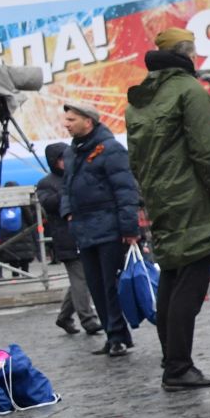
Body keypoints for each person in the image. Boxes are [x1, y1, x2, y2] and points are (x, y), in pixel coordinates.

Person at [124, 27, 210, 388]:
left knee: (172, 278)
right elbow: (207, 152)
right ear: (188, 54)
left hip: (161, 199)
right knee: (190, 280)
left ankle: (171, 360)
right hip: (191, 197)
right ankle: (178, 367)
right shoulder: (188, 91)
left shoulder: (139, 98)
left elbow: (135, 160)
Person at [60, 100, 143, 358]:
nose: (67, 124)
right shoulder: (73, 152)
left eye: (72, 119)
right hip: (84, 230)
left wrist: (130, 229)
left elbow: (126, 190)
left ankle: (118, 336)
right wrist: (69, 213)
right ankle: (112, 334)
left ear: (89, 120)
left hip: (109, 228)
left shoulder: (111, 149)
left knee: (111, 286)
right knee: (95, 286)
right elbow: (67, 187)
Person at [37, 142, 100, 336]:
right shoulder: (46, 183)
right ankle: (88, 319)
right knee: (82, 279)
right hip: (66, 237)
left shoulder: (78, 176)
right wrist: (70, 190)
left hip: (86, 233)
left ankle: (64, 317)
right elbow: (49, 204)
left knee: (81, 280)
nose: (66, 162)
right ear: (54, 162)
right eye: (61, 159)